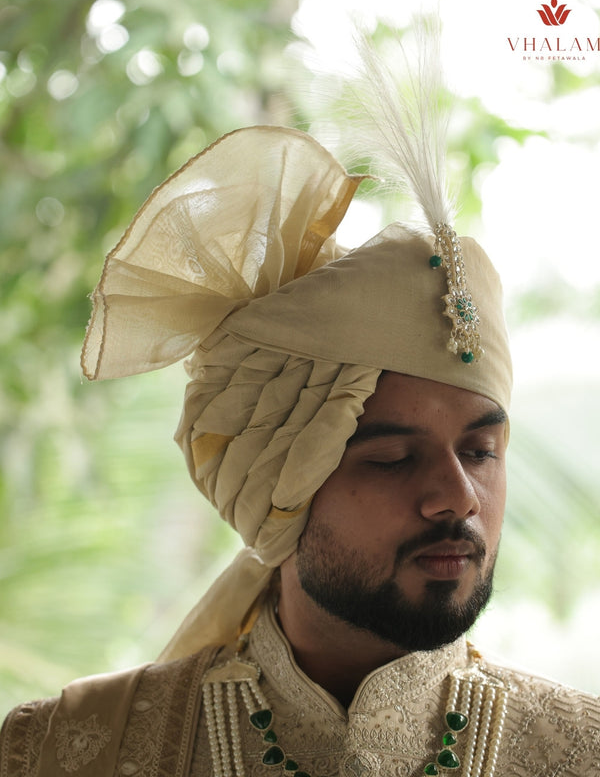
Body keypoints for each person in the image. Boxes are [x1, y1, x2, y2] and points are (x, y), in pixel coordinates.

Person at [2, 39, 599, 777]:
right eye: (390, 457)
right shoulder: (58, 752)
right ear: (276, 493)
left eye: (479, 451)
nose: (458, 496)